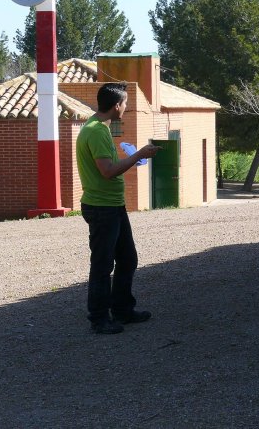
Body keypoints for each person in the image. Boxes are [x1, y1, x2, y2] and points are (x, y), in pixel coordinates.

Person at [76, 82, 161, 334]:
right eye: (125, 104)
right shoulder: (96, 132)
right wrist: (139, 155)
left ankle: (122, 310)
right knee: (102, 265)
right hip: (102, 208)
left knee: (127, 258)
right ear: (116, 106)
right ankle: (99, 319)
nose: (126, 108)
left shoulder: (98, 128)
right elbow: (107, 171)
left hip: (112, 206)